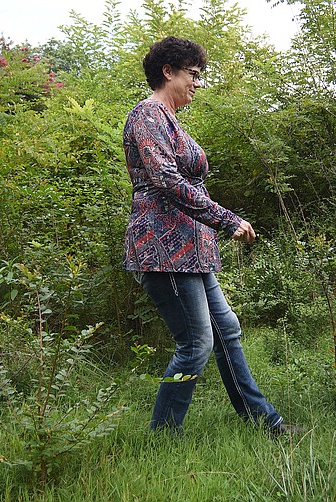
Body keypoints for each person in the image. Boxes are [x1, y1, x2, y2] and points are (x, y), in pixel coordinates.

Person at [123, 36, 296, 436]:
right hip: (162, 247)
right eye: (193, 74)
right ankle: (163, 437)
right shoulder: (146, 116)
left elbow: (183, 182)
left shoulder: (169, 120)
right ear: (168, 72)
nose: (198, 83)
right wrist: (226, 219)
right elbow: (166, 180)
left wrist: (214, 224)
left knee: (226, 331)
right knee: (197, 343)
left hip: (192, 251)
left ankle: (265, 423)